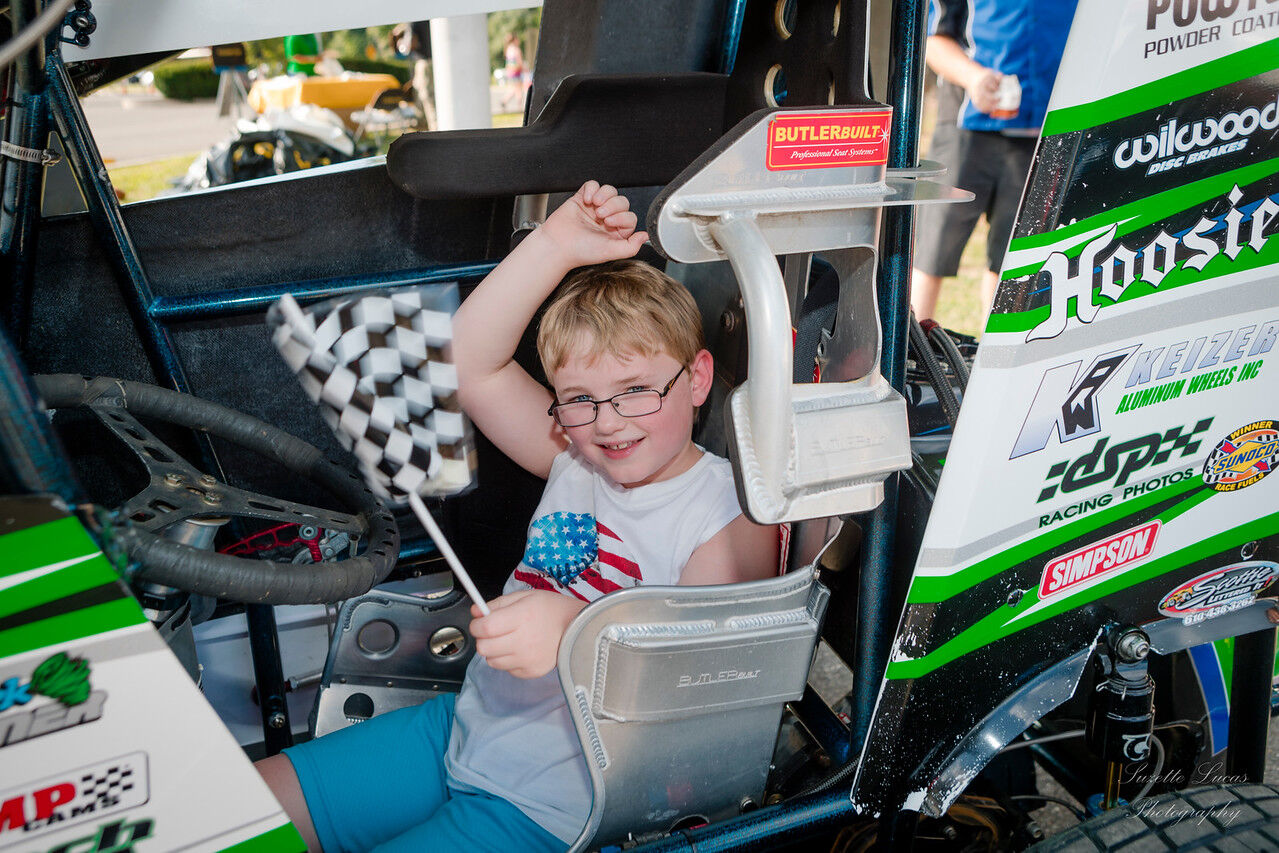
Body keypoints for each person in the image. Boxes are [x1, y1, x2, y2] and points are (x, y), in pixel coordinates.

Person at [257, 181, 779, 852]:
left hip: (558, 800)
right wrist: (556, 243)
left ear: (698, 378)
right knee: (239, 811)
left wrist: (572, 631)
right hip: (466, 727)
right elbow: (469, 364)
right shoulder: (572, 455)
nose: (607, 421)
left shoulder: (724, 513)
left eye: (636, 390)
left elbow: (694, 691)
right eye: (579, 397)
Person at [910, 0, 1077, 326]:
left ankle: (995, 356)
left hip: (1047, 129)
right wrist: (974, 78)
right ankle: (912, 352)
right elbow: (931, 38)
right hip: (967, 125)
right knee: (932, 249)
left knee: (1013, 260)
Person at [500, 32, 527, 111]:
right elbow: (519, 62)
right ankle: (519, 107)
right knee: (519, 89)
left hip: (510, 72)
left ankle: (504, 101)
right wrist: (524, 69)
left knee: (514, 89)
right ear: (515, 40)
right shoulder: (516, 49)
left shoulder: (508, 49)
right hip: (516, 72)